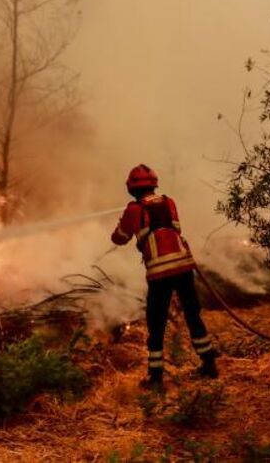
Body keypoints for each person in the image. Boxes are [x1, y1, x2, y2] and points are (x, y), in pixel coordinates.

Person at [110, 164, 218, 390]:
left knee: (156, 323)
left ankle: (156, 376)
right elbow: (176, 228)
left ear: (132, 188)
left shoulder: (133, 210)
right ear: (154, 185)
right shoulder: (169, 202)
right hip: (184, 266)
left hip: (160, 273)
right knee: (192, 314)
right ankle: (209, 363)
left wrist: (122, 223)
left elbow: (119, 238)